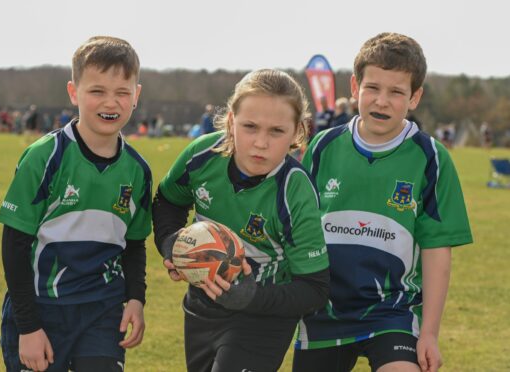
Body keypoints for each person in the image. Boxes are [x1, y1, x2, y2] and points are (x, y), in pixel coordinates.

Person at [294, 32, 473, 372]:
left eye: (396, 92)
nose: (382, 101)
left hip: (394, 310)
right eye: (372, 88)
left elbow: (437, 253)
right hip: (324, 309)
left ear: (415, 97)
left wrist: (430, 334)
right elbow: (297, 228)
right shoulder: (322, 147)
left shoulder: (431, 157)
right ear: (354, 86)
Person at [153, 69, 330, 372]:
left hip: (263, 318)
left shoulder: (294, 191)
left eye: (276, 131)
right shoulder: (202, 155)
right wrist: (172, 244)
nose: (261, 142)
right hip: (200, 308)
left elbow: (313, 289)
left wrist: (251, 297)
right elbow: (168, 200)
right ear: (231, 122)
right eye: (250, 126)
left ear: (298, 131)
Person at [0, 36, 151, 372]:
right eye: (97, 91)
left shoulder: (137, 171)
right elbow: (14, 246)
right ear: (73, 92)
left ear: (136, 95)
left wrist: (136, 298)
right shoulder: (45, 157)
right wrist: (28, 327)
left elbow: (134, 244)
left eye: (122, 92)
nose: (110, 103)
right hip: (42, 309)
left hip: (102, 308)